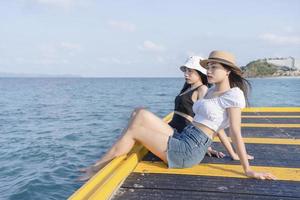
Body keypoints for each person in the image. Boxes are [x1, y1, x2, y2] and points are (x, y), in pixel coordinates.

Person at [79, 50, 275, 181]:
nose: (209, 70)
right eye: (209, 66)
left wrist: (247, 169)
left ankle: (97, 167)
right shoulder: (210, 91)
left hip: (189, 150)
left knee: (135, 130)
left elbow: (234, 132)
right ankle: (106, 159)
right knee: (141, 114)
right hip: (184, 136)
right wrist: (230, 154)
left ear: (228, 72)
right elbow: (219, 128)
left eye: (214, 67)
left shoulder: (233, 95)